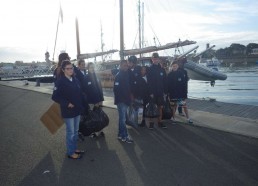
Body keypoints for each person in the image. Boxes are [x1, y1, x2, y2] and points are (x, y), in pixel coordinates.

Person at [52, 60, 85, 159]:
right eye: (68, 68)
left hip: (77, 110)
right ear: (63, 70)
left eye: (72, 68)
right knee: (70, 132)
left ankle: (74, 148)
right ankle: (70, 152)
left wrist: (84, 105)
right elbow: (55, 97)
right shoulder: (60, 82)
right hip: (68, 111)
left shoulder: (75, 80)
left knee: (76, 131)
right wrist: (67, 103)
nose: (71, 70)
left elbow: (80, 94)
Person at [82, 62, 105, 138]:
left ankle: (99, 131)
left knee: (99, 116)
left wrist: (101, 99)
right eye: (90, 67)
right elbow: (84, 91)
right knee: (91, 118)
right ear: (88, 68)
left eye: (93, 67)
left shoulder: (97, 76)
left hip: (98, 100)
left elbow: (100, 88)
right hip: (91, 101)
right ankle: (92, 133)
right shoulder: (86, 77)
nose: (92, 68)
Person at [113, 60, 133, 143]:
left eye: (127, 66)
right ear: (120, 66)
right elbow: (116, 90)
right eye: (124, 65)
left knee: (122, 119)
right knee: (123, 119)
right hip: (121, 101)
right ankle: (125, 136)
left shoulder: (126, 74)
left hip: (125, 100)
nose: (126, 67)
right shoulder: (119, 75)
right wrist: (124, 100)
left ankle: (120, 135)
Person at [146, 52, 167, 129]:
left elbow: (165, 81)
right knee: (152, 107)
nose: (155, 60)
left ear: (158, 59)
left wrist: (165, 92)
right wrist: (150, 92)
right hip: (153, 92)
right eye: (154, 58)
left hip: (160, 92)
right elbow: (149, 82)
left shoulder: (162, 69)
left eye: (156, 58)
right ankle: (151, 123)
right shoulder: (149, 69)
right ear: (152, 59)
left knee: (160, 107)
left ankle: (160, 122)